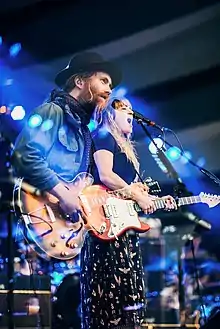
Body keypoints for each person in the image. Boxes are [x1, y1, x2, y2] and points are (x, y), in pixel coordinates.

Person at [12, 53, 160, 328]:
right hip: (45, 209)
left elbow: (86, 181)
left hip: (74, 224)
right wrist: (63, 193)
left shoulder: (84, 130)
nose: (109, 88)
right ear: (80, 81)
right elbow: (24, 154)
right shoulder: (52, 111)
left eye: (111, 84)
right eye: (103, 80)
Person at [80, 97, 176, 329]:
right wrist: (139, 196)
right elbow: (106, 175)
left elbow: (126, 195)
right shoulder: (104, 135)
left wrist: (156, 200)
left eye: (131, 109)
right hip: (104, 227)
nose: (130, 113)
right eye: (123, 109)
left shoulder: (126, 148)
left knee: (128, 304)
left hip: (122, 230)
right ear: (110, 115)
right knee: (109, 299)